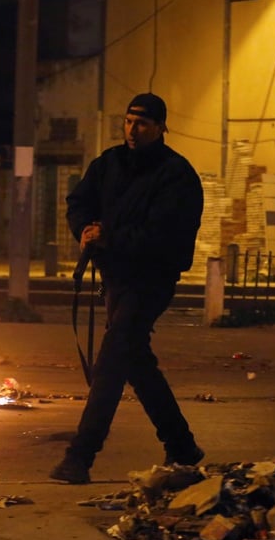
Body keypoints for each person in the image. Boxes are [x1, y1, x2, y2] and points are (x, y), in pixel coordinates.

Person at [50, 92, 205, 484]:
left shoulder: (177, 176)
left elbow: (165, 234)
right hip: (117, 279)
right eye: (128, 121)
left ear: (160, 128)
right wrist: (84, 229)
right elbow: (78, 201)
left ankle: (80, 456)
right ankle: (182, 445)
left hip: (151, 281)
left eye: (142, 124)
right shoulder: (109, 164)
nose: (133, 130)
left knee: (114, 358)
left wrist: (111, 236)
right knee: (136, 362)